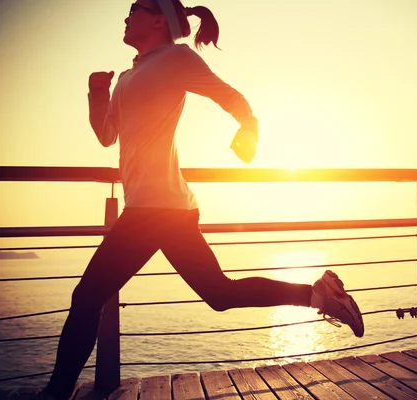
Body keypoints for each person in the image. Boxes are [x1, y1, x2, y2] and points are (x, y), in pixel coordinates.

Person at [43, 0, 364, 398]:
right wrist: (96, 92)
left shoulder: (176, 58)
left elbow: (227, 95)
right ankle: (319, 294)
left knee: (86, 297)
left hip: (154, 209)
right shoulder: (130, 73)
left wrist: (250, 128)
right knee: (219, 294)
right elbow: (107, 135)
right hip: (164, 208)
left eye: (136, 8)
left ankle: (56, 393)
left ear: (159, 19)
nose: (126, 16)